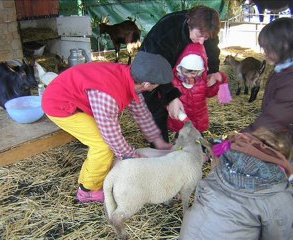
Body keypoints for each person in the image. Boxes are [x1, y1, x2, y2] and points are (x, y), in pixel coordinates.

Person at [179, 18, 293, 240]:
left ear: (284, 46)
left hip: (279, 135)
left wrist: (230, 142)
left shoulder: (214, 181)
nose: (264, 53)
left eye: (267, 48)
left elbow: (272, 120)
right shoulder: (282, 69)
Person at [42, 51, 173, 203]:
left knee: (103, 142)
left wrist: (157, 140)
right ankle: (87, 191)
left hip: (74, 97)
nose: (156, 88)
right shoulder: (108, 94)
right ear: (146, 84)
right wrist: (131, 156)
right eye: (156, 85)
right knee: (102, 145)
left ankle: (89, 178)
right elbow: (111, 136)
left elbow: (141, 112)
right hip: (59, 104)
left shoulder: (128, 76)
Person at [140, 5, 221, 143]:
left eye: (206, 38)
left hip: (176, 70)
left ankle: (184, 143)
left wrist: (213, 70)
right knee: (158, 110)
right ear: (189, 22)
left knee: (183, 105)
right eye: (199, 36)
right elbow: (158, 67)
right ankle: (161, 150)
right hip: (152, 67)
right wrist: (170, 97)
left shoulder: (206, 29)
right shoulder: (167, 30)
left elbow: (212, 49)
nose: (202, 41)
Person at [167, 43, 231, 137]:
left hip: (198, 122)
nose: (189, 76)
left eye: (193, 73)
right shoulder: (173, 81)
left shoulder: (203, 81)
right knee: (180, 143)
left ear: (200, 70)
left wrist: (220, 80)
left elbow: (210, 93)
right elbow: (165, 96)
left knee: (199, 144)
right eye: (186, 72)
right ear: (180, 68)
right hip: (180, 123)